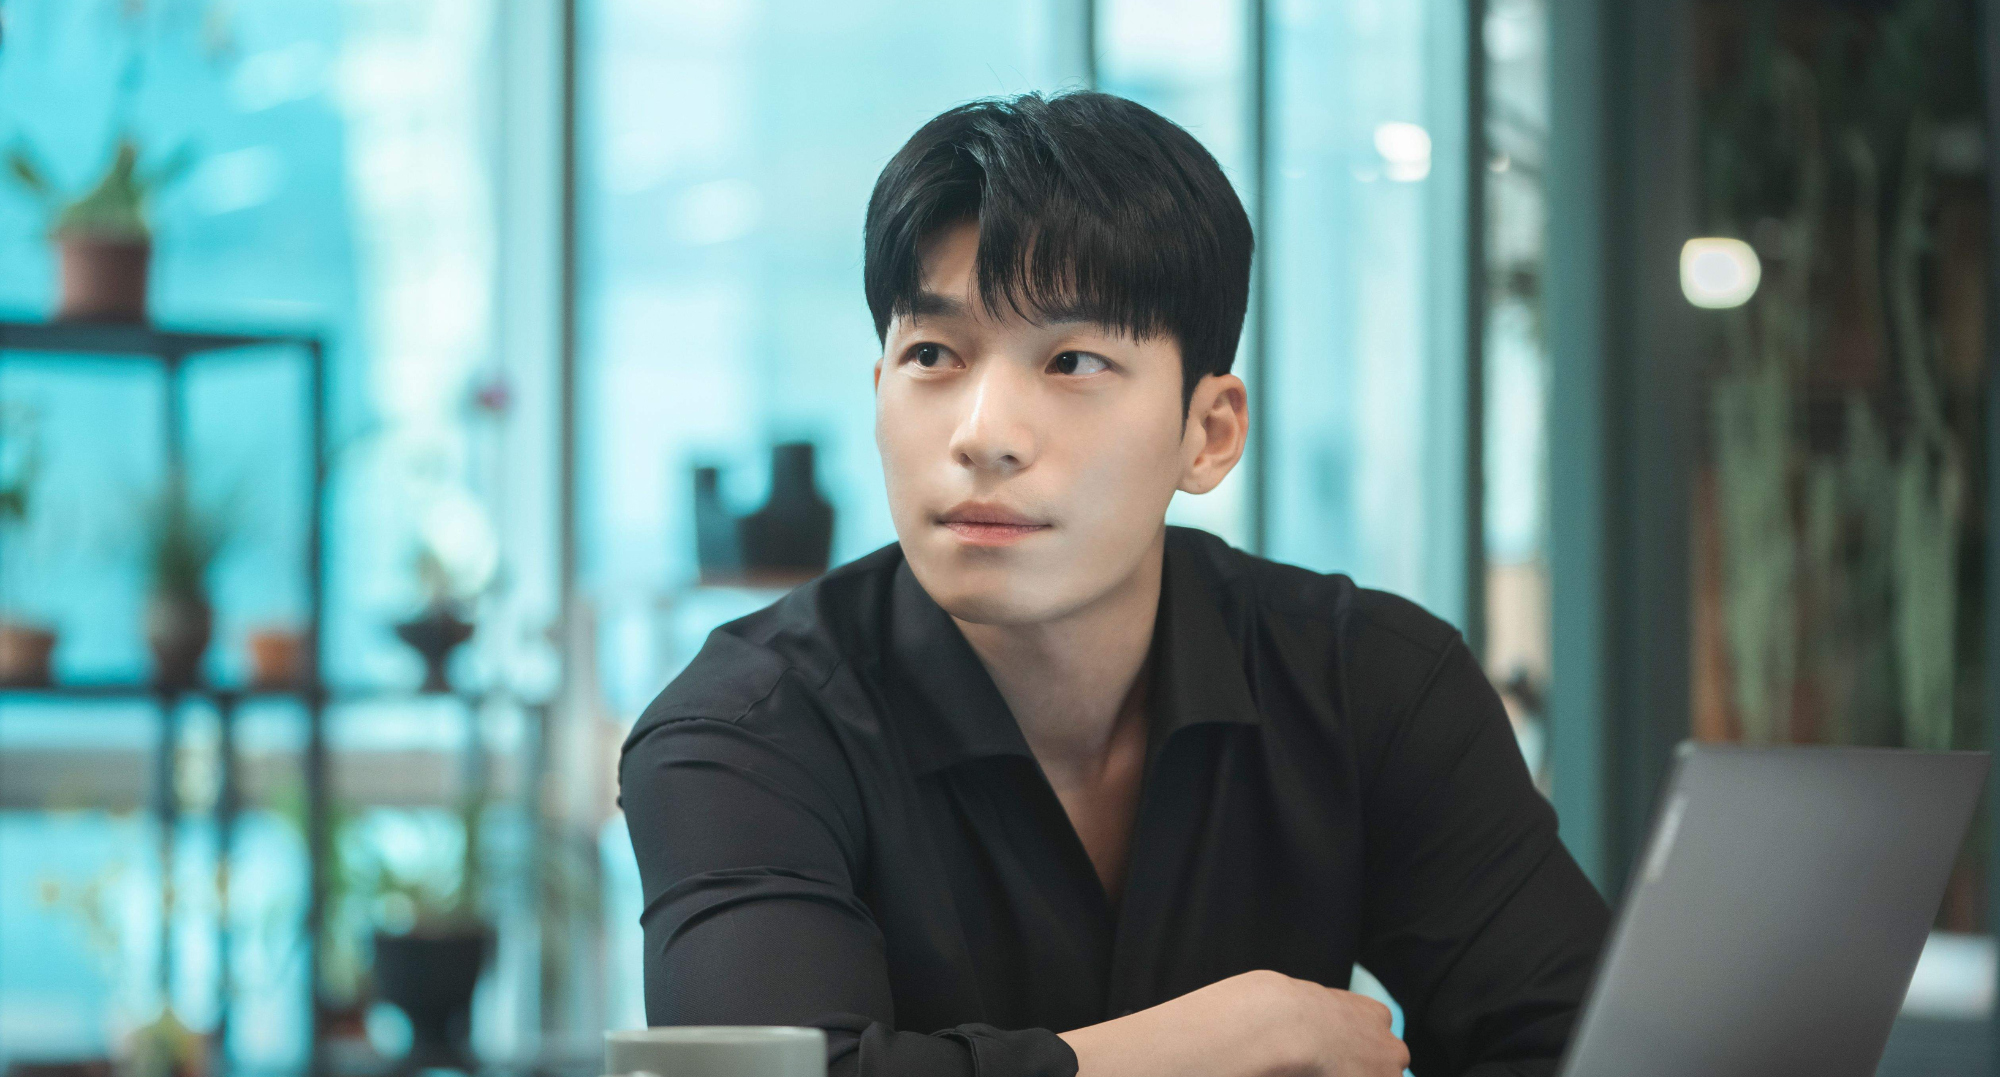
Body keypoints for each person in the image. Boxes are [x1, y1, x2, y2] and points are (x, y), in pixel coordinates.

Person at [619, 90, 1607, 1077]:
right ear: (881, 393)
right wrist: (1226, 1040)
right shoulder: (745, 729)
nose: (982, 434)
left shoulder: (1368, 683)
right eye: (932, 355)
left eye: (1074, 360)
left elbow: (1585, 1047)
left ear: (1208, 433)